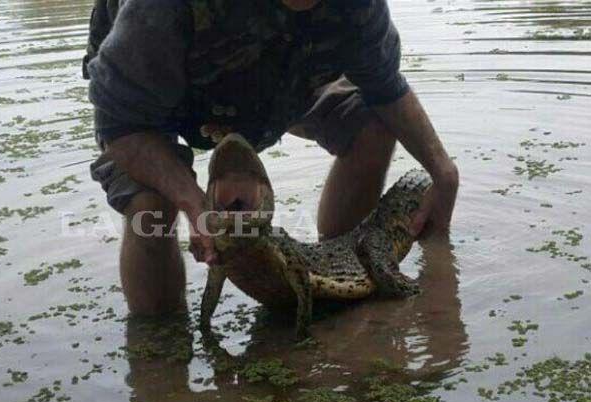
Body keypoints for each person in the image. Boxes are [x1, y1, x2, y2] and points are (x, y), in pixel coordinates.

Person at [84, 0, 459, 315]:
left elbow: (385, 87)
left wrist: (443, 171)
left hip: (278, 80)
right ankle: (159, 353)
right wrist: (193, 203)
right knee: (151, 207)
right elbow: (121, 123)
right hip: (153, 92)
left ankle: (341, 272)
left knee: (372, 126)